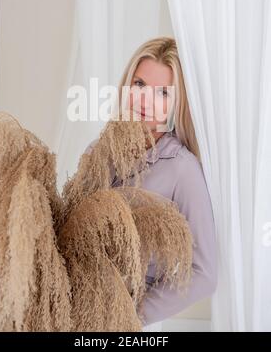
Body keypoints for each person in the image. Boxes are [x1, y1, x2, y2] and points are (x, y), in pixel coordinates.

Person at [84, 36, 217, 327]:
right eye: (140, 85)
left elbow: (205, 274)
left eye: (162, 93)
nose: (144, 100)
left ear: (176, 104)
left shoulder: (183, 169)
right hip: (77, 308)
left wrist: (130, 315)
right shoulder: (98, 150)